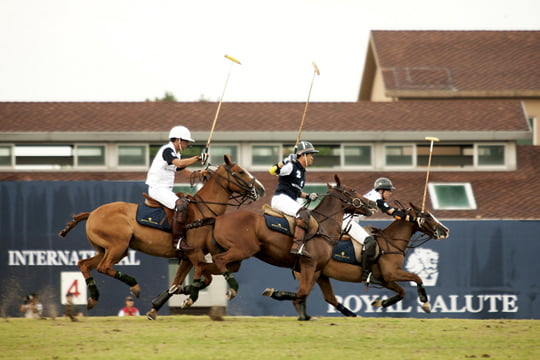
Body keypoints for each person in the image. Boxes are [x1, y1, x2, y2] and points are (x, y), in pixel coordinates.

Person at [145, 125, 208, 251]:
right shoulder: (167, 150)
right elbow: (178, 164)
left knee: (186, 203)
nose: (186, 145)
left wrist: (201, 173)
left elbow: (186, 173)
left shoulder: (176, 155)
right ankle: (177, 241)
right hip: (157, 189)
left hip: (165, 190)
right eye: (186, 142)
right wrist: (197, 158)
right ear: (178, 140)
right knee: (181, 204)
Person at [356, 177, 416, 285]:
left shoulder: (376, 196)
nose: (390, 193)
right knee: (370, 242)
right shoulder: (376, 198)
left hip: (353, 221)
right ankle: (366, 275)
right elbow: (391, 212)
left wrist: (404, 212)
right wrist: (411, 219)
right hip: (348, 221)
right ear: (381, 190)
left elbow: (392, 209)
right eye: (389, 190)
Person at [269, 141, 319, 258]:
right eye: (310, 154)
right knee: (303, 213)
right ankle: (297, 246)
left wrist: (308, 196)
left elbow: (296, 191)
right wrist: (285, 161)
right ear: (303, 155)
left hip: (290, 200)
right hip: (281, 199)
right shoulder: (291, 166)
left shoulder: (302, 172)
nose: (312, 157)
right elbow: (272, 171)